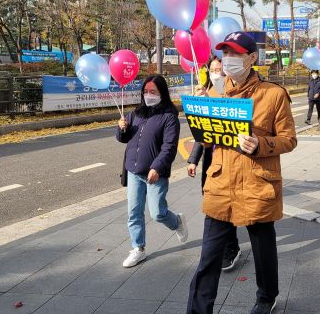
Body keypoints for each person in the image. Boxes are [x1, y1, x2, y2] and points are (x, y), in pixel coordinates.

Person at [187, 32, 297, 314]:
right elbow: (207, 139)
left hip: (257, 184)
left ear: (252, 58)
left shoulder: (273, 95)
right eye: (225, 54)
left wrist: (261, 143)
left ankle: (266, 297)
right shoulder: (214, 93)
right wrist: (204, 132)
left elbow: (289, 139)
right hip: (221, 184)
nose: (228, 60)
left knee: (263, 251)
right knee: (209, 256)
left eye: (235, 54)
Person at [117, 75, 188, 268]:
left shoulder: (169, 117)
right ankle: (138, 248)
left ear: (162, 93)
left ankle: (177, 222)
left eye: (153, 92)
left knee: (157, 213)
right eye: (145, 92)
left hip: (154, 173)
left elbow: (169, 146)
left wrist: (157, 166)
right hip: (133, 171)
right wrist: (121, 129)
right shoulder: (135, 114)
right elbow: (124, 139)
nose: (148, 95)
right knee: (134, 212)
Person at [187, 57, 242, 272]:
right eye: (213, 69)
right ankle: (221, 244)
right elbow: (202, 135)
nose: (216, 73)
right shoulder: (205, 94)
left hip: (230, 158)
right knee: (212, 202)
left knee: (226, 204)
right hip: (211, 161)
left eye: (220, 69)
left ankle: (232, 247)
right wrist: (193, 160)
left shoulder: (233, 94)